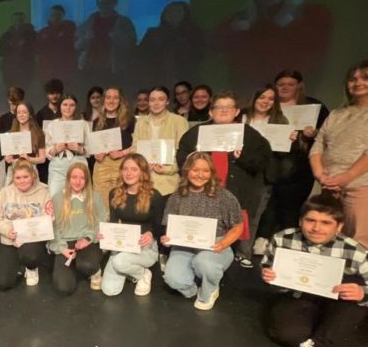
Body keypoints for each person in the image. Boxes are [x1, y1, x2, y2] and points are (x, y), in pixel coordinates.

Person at [261, 195, 367, 347]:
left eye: (326, 223)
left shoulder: (356, 251)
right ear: (301, 221)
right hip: (300, 297)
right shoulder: (283, 239)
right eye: (310, 221)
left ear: (339, 226)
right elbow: (268, 269)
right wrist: (269, 276)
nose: (316, 228)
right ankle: (318, 329)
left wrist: (362, 293)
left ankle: (319, 345)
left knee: (356, 284)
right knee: (289, 335)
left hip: (337, 301)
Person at [176, 91, 272, 268]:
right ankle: (207, 253)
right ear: (211, 112)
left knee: (238, 222)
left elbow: (263, 161)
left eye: (229, 107)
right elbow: (182, 155)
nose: (224, 110)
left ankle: (240, 254)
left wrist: (241, 157)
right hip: (203, 191)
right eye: (219, 107)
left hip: (236, 190)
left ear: (237, 112)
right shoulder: (197, 132)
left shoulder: (249, 134)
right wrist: (193, 159)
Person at [214, 0, 332, 90]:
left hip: (291, 88)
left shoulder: (309, 14)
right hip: (248, 89)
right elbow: (216, 43)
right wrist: (234, 31)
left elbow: (315, 47)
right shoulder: (241, 18)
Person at [162, 152, 245, 310]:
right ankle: (192, 289)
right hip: (185, 245)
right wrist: (168, 239)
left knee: (203, 263)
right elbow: (171, 226)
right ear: (187, 171)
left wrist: (223, 244)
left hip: (216, 243)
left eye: (205, 170)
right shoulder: (176, 197)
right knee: (172, 278)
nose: (200, 175)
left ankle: (210, 289)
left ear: (212, 173)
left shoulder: (224, 196)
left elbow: (238, 226)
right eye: (195, 170)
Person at [310, 60, 368, 247]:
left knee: (359, 240)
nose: (358, 82)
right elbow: (318, 145)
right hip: (330, 186)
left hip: (360, 186)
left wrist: (346, 177)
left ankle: (357, 277)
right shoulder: (336, 114)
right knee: (328, 238)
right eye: (353, 79)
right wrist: (321, 175)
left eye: (365, 78)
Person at [271, 69, 329, 232]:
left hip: (299, 166)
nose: (285, 87)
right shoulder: (269, 104)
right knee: (269, 205)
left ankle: (288, 238)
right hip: (270, 162)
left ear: (299, 86)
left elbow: (327, 133)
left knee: (291, 206)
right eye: (281, 84)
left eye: (290, 84)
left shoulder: (314, 106)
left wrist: (314, 133)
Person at [100, 154, 164, 296]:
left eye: (134, 169)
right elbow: (114, 223)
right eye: (125, 169)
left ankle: (143, 274)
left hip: (145, 245)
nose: (128, 173)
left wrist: (151, 233)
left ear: (143, 172)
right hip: (123, 243)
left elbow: (161, 226)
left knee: (119, 262)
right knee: (109, 290)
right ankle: (130, 269)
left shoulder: (155, 196)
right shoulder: (114, 193)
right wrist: (106, 234)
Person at [241, 85, 291, 256]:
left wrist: (291, 139)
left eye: (270, 99)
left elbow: (283, 152)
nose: (265, 101)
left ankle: (244, 252)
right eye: (262, 97)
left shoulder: (280, 121)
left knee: (253, 214)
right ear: (254, 98)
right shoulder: (241, 117)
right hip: (240, 170)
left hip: (263, 175)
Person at [0, 158, 53, 289]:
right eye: (18, 177)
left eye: (25, 176)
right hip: (10, 239)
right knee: (3, 283)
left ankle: (31, 267)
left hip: (33, 241)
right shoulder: (4, 192)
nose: (22, 180)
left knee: (30, 255)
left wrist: (29, 233)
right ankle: (19, 264)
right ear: (13, 178)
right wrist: (8, 230)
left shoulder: (44, 191)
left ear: (33, 175)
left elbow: (50, 217)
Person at [48, 163, 106, 296]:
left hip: (86, 241)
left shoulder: (94, 197)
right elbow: (54, 227)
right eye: (74, 177)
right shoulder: (57, 197)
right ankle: (73, 266)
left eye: (82, 178)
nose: (78, 181)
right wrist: (62, 248)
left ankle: (94, 271)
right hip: (65, 242)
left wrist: (88, 238)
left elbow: (102, 222)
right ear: (68, 178)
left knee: (87, 265)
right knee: (64, 287)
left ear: (87, 180)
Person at [132, 86, 189, 198]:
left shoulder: (179, 121)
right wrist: (142, 166)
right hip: (143, 181)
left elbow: (183, 152)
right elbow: (135, 148)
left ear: (167, 101)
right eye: (152, 100)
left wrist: (169, 169)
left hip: (168, 183)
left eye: (161, 99)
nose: (156, 103)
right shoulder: (140, 123)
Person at [75, 0, 137, 89]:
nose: (103, 6)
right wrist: (85, 38)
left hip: (112, 68)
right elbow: (76, 45)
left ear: (114, 4)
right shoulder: (88, 22)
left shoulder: (124, 22)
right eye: (100, 3)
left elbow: (131, 44)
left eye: (107, 3)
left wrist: (117, 37)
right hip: (89, 67)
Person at [137, 2, 204, 91]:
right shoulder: (153, 33)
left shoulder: (194, 33)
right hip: (157, 77)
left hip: (186, 76)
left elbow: (199, 54)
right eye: (170, 11)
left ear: (185, 14)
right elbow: (142, 56)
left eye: (178, 11)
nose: (174, 14)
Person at [92, 87, 135, 210]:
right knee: (102, 206)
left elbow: (137, 145)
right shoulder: (97, 122)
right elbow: (94, 147)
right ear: (104, 100)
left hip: (122, 166)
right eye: (108, 97)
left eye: (115, 97)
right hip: (101, 167)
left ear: (120, 100)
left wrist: (121, 153)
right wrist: (97, 154)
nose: (111, 101)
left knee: (121, 203)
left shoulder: (129, 120)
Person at [45, 94, 91, 197]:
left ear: (76, 107)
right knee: (54, 198)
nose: (68, 108)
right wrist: (55, 149)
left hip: (78, 162)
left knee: (80, 199)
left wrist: (80, 149)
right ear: (60, 106)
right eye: (65, 104)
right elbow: (47, 151)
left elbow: (90, 150)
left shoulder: (83, 124)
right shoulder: (52, 125)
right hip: (58, 165)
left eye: (72, 105)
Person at [3, 102, 46, 183]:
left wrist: (29, 159)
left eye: (24, 112)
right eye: (19, 112)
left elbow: (42, 159)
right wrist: (8, 159)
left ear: (30, 114)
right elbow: (7, 157)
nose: (21, 115)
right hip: (14, 170)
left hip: (31, 170)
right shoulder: (11, 134)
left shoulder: (38, 134)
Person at [35, 4, 76, 87]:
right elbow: (37, 52)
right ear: (49, 16)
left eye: (59, 15)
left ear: (63, 16)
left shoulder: (69, 30)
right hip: (46, 72)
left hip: (64, 72)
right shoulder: (42, 32)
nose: (56, 17)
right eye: (53, 15)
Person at [0, 11, 36, 90]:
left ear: (23, 21)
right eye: (15, 20)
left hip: (25, 69)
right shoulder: (6, 35)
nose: (18, 23)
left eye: (20, 20)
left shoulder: (31, 34)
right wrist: (8, 47)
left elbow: (36, 49)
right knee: (11, 92)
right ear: (12, 21)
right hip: (10, 70)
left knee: (25, 91)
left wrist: (25, 46)